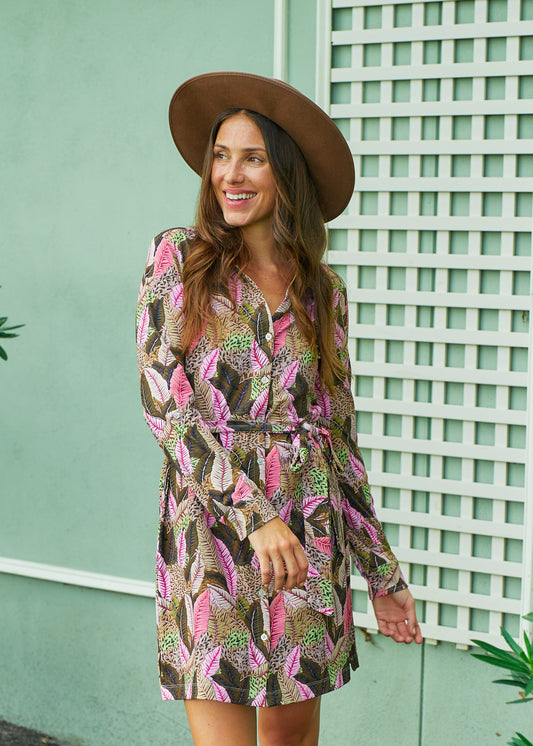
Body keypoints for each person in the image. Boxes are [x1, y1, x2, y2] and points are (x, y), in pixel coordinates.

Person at [136, 71, 422, 746]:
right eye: (221, 155)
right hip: (212, 534)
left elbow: (339, 441)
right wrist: (254, 516)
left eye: (253, 158)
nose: (229, 175)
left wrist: (382, 573)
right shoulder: (178, 257)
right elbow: (163, 401)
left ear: (284, 172)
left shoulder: (323, 292)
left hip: (309, 531)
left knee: (291, 742)